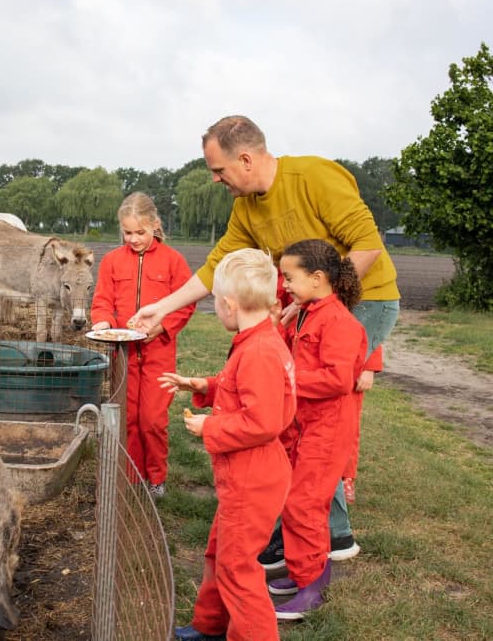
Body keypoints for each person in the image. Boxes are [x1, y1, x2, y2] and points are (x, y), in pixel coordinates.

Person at [130, 114, 401, 560]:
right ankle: (322, 530)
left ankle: (308, 529)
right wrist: (163, 306)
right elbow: (219, 264)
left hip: (364, 300)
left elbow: (368, 244)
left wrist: (321, 301)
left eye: (219, 171)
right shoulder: (246, 207)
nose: (216, 180)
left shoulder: (314, 176)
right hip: (312, 302)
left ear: (245, 158)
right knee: (296, 411)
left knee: (313, 408)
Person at [159, 248, 295, 641]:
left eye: (215, 303)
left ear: (229, 305)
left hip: (251, 477)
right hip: (247, 475)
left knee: (237, 567)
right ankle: (211, 626)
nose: (216, 310)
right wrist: (205, 385)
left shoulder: (258, 351)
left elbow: (263, 420)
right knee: (220, 553)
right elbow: (243, 388)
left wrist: (210, 428)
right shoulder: (257, 339)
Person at [265, 239, 367, 620]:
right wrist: (277, 327)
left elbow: (338, 380)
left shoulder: (339, 322)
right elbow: (286, 355)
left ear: (318, 277)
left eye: (289, 277)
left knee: (304, 505)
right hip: (302, 424)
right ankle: (305, 571)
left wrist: (288, 379)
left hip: (326, 431)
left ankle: (311, 589)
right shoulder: (306, 313)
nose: (285, 284)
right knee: (297, 501)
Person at [90, 192, 194, 498]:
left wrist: (162, 327)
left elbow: (185, 305)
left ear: (155, 226)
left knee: (152, 419)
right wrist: (104, 323)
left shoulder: (173, 261)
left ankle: (156, 477)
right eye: (127, 232)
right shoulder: (111, 261)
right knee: (128, 417)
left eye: (140, 232)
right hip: (123, 353)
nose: (133, 239)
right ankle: (132, 477)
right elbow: (102, 301)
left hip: (158, 351)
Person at [344, 345, 382, 503]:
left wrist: (369, 368)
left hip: (348, 371)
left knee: (347, 427)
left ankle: (345, 478)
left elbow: (372, 328)